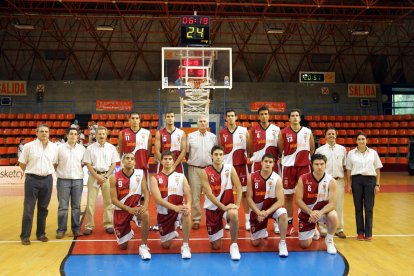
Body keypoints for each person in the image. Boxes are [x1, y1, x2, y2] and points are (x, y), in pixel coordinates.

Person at [200, 145, 242, 260]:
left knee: (234, 214)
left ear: (224, 157)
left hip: (227, 208)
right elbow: (209, 194)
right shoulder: (205, 172)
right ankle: (217, 232)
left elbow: (238, 187)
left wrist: (237, 205)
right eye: (216, 155)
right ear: (212, 157)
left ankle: (234, 245)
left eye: (220, 155)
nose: (218, 157)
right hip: (212, 209)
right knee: (216, 246)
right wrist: (223, 207)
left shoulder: (230, 168)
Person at [18, 124, 58, 245]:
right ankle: (25, 236)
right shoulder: (28, 146)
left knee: (43, 209)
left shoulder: (54, 147)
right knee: (29, 209)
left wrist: (47, 172)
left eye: (46, 131)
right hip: (32, 180)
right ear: (36, 133)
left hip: (47, 180)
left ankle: (41, 233)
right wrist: (31, 173)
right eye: (41, 131)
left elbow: (54, 163)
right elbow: (22, 164)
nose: (44, 133)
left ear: (49, 133)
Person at [278, 109, 315, 236]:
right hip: (288, 166)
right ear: (289, 119)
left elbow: (312, 149)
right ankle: (289, 224)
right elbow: (280, 148)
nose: (295, 118)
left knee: (306, 196)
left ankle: (307, 223)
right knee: (288, 196)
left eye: (297, 116)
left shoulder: (307, 131)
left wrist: (305, 159)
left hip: (304, 166)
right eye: (292, 116)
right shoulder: (283, 132)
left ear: (300, 118)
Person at [150, 151, 192, 259]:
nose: (168, 161)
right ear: (161, 161)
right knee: (166, 246)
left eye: (170, 159)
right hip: (164, 213)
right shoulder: (154, 178)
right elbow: (158, 200)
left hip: (179, 210)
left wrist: (188, 205)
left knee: (187, 213)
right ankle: (173, 230)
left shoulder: (181, 176)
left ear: (173, 161)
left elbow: (188, 193)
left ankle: (186, 245)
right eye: (165, 159)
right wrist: (175, 208)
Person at [109, 153, 151, 259]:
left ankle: (143, 246)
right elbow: (113, 200)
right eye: (127, 158)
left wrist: (145, 206)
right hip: (121, 211)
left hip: (135, 208)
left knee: (145, 214)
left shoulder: (140, 174)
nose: (129, 160)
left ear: (135, 162)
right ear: (122, 161)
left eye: (132, 159)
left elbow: (146, 191)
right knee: (123, 247)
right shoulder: (114, 177)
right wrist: (128, 209)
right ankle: (128, 232)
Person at [246, 153, 288, 257]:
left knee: (283, 213)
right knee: (255, 243)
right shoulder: (251, 177)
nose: (268, 164)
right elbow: (248, 198)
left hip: (271, 210)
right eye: (266, 161)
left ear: (274, 164)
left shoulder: (277, 179)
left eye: (270, 162)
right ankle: (262, 230)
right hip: (257, 210)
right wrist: (258, 212)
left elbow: (281, 201)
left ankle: (282, 243)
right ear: (261, 163)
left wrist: (266, 212)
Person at [296, 153, 338, 255]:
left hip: (322, 212)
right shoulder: (303, 178)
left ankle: (329, 239)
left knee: (333, 215)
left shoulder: (331, 181)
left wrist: (320, 213)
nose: (319, 167)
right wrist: (311, 213)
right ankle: (314, 228)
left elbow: (332, 204)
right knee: (304, 245)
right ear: (311, 165)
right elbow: (298, 200)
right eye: (316, 164)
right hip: (307, 212)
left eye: (322, 164)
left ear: (325, 165)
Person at [83, 126, 120, 235]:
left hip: (107, 177)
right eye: (99, 134)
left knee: (108, 202)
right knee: (90, 202)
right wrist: (97, 176)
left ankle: (108, 224)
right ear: (96, 135)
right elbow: (88, 164)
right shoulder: (90, 148)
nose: (102, 136)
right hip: (94, 176)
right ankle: (89, 226)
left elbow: (114, 164)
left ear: (106, 135)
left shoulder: (111, 148)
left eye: (103, 134)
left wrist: (106, 176)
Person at [346, 132, 382, 241]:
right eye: (359, 139)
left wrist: (377, 184)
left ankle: (369, 233)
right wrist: (349, 184)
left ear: (366, 140)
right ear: (356, 141)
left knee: (369, 208)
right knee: (358, 208)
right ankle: (360, 233)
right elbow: (348, 170)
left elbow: (377, 169)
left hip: (370, 180)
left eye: (363, 139)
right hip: (356, 180)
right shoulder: (351, 153)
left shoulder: (373, 153)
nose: (361, 141)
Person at [219, 109, 251, 230]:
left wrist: (248, 158)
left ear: (236, 117)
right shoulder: (222, 132)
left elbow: (249, 147)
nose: (231, 118)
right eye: (229, 116)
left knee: (243, 193)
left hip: (241, 166)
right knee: (227, 194)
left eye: (233, 116)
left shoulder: (244, 131)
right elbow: (221, 149)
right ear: (226, 118)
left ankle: (247, 220)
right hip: (227, 166)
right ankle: (228, 219)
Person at [315, 127, 348, 239]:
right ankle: (323, 228)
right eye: (329, 134)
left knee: (338, 204)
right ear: (325, 136)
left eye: (333, 134)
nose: (331, 136)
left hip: (338, 180)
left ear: (336, 135)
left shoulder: (342, 149)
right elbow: (316, 167)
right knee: (323, 204)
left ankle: (339, 228)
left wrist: (347, 182)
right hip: (324, 181)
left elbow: (345, 166)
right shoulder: (320, 150)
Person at [186, 114, 217, 230]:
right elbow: (187, 153)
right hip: (195, 168)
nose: (203, 123)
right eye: (201, 122)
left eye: (204, 121)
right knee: (195, 196)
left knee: (211, 195)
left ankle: (212, 218)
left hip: (209, 169)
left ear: (207, 123)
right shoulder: (190, 136)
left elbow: (215, 153)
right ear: (197, 124)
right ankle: (196, 219)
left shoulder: (213, 137)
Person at [55, 128, 86, 239]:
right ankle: (61, 230)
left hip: (78, 180)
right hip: (63, 180)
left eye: (75, 134)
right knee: (63, 207)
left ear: (78, 136)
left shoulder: (82, 149)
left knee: (76, 206)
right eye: (71, 134)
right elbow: (55, 163)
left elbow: (83, 164)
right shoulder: (59, 148)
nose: (73, 136)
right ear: (67, 135)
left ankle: (76, 229)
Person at [118, 112, 152, 178]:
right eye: (133, 118)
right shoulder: (122, 133)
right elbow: (121, 150)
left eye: (137, 118)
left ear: (139, 120)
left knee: (143, 187)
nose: (135, 120)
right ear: (129, 120)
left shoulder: (147, 133)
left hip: (142, 165)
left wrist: (143, 161)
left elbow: (148, 152)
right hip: (127, 166)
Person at [248, 105, 280, 173]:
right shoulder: (253, 130)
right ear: (259, 116)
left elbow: (279, 147)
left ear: (269, 115)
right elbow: (250, 147)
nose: (264, 116)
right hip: (258, 162)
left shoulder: (276, 129)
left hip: (272, 163)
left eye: (266, 114)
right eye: (261, 114)